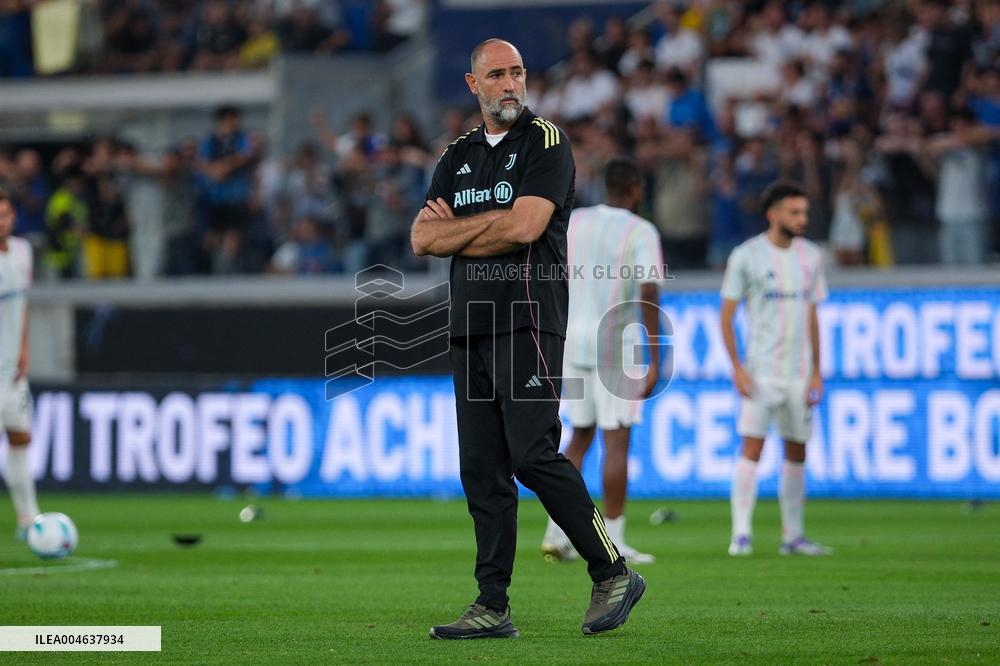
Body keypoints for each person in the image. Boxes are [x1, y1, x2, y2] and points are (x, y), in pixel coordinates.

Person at [411, 38, 644, 639]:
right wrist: (492, 227)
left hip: (528, 318)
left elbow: (528, 225)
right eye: (498, 75)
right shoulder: (457, 153)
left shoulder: (546, 141)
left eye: (517, 72)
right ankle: (492, 605)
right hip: (469, 325)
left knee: (532, 453)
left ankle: (611, 569)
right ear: (474, 85)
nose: (511, 83)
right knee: (481, 469)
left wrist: (461, 231)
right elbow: (421, 240)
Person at [541, 156, 663, 566]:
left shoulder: (575, 221)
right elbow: (648, 290)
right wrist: (655, 354)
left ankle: (557, 534)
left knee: (579, 436)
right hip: (617, 346)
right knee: (617, 438)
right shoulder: (641, 230)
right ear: (636, 190)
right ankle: (614, 540)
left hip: (571, 343)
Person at [719, 180, 831, 557]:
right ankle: (741, 534)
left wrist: (817, 371)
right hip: (761, 371)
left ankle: (793, 536)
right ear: (774, 214)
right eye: (794, 212)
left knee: (796, 451)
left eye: (804, 212)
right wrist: (737, 367)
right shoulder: (747, 255)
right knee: (752, 447)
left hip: (799, 374)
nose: (802, 219)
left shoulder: (811, 257)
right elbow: (727, 314)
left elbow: (813, 316)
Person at [0, 189, 39, 540]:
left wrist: (25, 347)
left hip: (13, 371)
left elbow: (21, 305)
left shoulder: (24, 252)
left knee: (20, 438)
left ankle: (28, 518)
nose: (2, 221)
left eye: (6, 214)